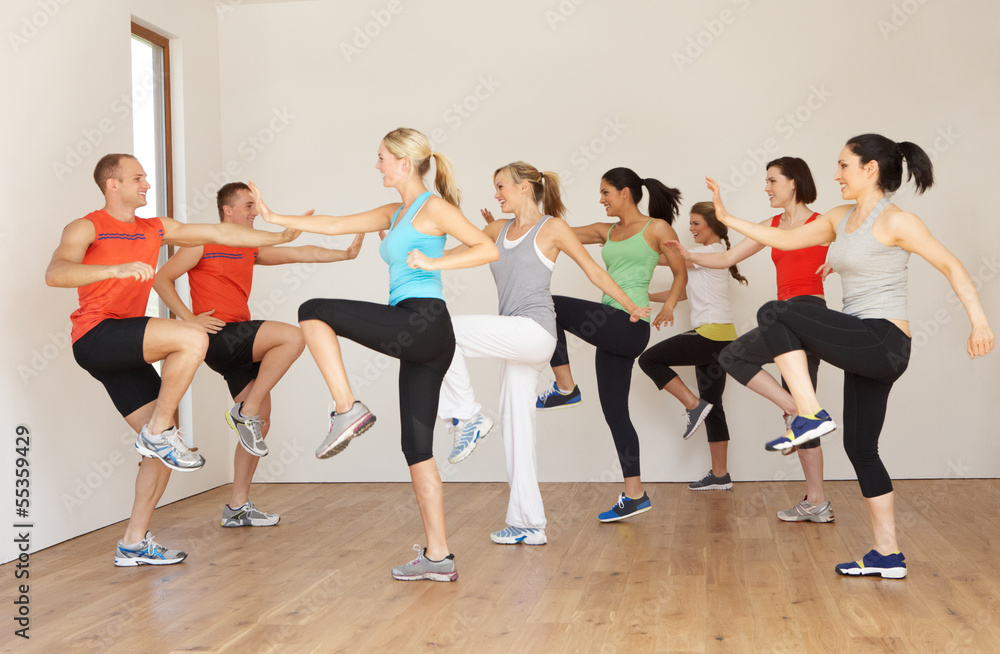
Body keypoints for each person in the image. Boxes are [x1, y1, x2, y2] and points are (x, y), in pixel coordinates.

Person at [707, 134, 994, 578]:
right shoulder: (840, 218)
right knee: (860, 447)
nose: (836, 174)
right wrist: (728, 219)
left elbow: (952, 266)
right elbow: (782, 239)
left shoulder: (897, 221)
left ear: (870, 169)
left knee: (775, 312)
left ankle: (808, 413)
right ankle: (887, 553)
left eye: (843, 166)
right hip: (863, 343)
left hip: (884, 341)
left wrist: (980, 322)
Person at [250, 127, 498, 582]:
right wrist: (272, 215)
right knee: (415, 448)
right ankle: (438, 556)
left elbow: (487, 248)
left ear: (404, 162)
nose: (377, 164)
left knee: (313, 311)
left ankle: (347, 409)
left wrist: (435, 263)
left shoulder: (433, 207)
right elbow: (335, 224)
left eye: (382, 157)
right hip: (421, 333)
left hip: (423, 320)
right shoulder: (394, 211)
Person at [45, 153, 298, 566]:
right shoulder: (87, 226)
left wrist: (279, 236)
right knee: (192, 336)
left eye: (146, 177)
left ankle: (133, 542)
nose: (146, 184)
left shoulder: (155, 228)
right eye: (137, 178)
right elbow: (56, 273)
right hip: (96, 335)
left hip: (126, 347)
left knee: (162, 450)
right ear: (112, 184)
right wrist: (114, 270)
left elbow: (221, 232)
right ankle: (158, 432)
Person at [437, 162, 648, 545]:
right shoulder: (496, 230)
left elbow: (594, 272)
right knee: (515, 426)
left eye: (501, 186)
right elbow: (452, 251)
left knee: (445, 330)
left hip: (534, 332)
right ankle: (528, 524)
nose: (496, 194)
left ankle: (467, 416)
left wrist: (630, 305)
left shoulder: (551, 228)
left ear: (524, 187)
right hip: (513, 339)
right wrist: (410, 249)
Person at [153, 182, 363, 528]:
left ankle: (237, 506)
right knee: (293, 337)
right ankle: (245, 412)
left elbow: (301, 253)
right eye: (248, 206)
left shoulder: (249, 248)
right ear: (228, 210)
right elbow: (162, 278)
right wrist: (189, 319)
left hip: (240, 340)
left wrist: (345, 254)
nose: (254, 212)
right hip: (220, 335)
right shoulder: (202, 242)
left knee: (261, 422)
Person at [666, 157, 834, 522]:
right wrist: (689, 255)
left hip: (809, 313)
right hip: (785, 317)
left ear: (793, 183)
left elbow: (863, 242)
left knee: (736, 356)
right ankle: (816, 497)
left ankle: (796, 412)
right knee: (800, 404)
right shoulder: (772, 225)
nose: (767, 187)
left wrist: (843, 261)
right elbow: (728, 257)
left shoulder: (824, 223)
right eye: (766, 181)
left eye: (773, 181)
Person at [536, 167, 687, 522]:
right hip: (612, 329)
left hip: (630, 325)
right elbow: (555, 232)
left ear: (625, 193)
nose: (601, 199)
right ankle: (635, 495)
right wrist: (518, 221)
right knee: (616, 414)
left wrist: (667, 306)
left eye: (606, 192)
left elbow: (680, 272)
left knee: (549, 304)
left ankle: (565, 387)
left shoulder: (657, 229)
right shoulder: (605, 232)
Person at [639, 202, 746, 491]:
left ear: (712, 224)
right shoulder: (707, 259)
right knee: (715, 406)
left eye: (696, 223)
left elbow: (668, 260)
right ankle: (720, 475)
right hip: (721, 337)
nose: (691, 228)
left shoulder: (711, 253)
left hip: (711, 335)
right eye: (690, 223)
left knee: (649, 360)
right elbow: (684, 292)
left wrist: (637, 249)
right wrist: (647, 296)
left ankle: (693, 406)